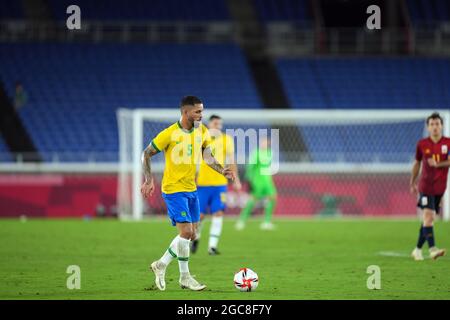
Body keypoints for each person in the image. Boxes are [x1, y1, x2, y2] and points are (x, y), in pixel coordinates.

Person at [141, 96, 235, 291]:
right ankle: (184, 277)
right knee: (186, 232)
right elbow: (147, 153)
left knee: (191, 235)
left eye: (202, 111)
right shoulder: (170, 133)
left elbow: (207, 156)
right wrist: (149, 180)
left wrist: (222, 169)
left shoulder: (201, 130)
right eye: (198, 111)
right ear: (185, 112)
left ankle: (161, 264)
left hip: (191, 188)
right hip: (174, 189)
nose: (201, 115)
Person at [192, 114, 241, 255]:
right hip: (202, 183)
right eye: (215, 123)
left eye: (220, 124)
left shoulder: (227, 139)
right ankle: (196, 237)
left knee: (218, 213)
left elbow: (232, 161)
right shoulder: (200, 138)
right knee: (200, 215)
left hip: (220, 184)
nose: (218, 126)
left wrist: (236, 180)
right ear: (209, 124)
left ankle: (212, 247)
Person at [410, 112, 449, 261]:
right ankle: (432, 249)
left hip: (440, 187)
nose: (434, 127)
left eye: (437, 124)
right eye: (432, 124)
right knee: (429, 216)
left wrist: (438, 164)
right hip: (425, 186)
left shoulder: (448, 143)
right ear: (428, 127)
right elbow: (417, 163)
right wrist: (412, 181)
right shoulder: (422, 144)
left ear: (442, 125)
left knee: (429, 219)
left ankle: (417, 249)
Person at [236, 137, 277, 231]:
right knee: (253, 199)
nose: (264, 144)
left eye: (266, 143)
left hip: (267, 180)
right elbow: (250, 167)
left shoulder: (270, 153)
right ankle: (241, 220)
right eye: (263, 142)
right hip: (258, 181)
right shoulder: (256, 153)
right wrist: (249, 178)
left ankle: (266, 222)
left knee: (273, 197)